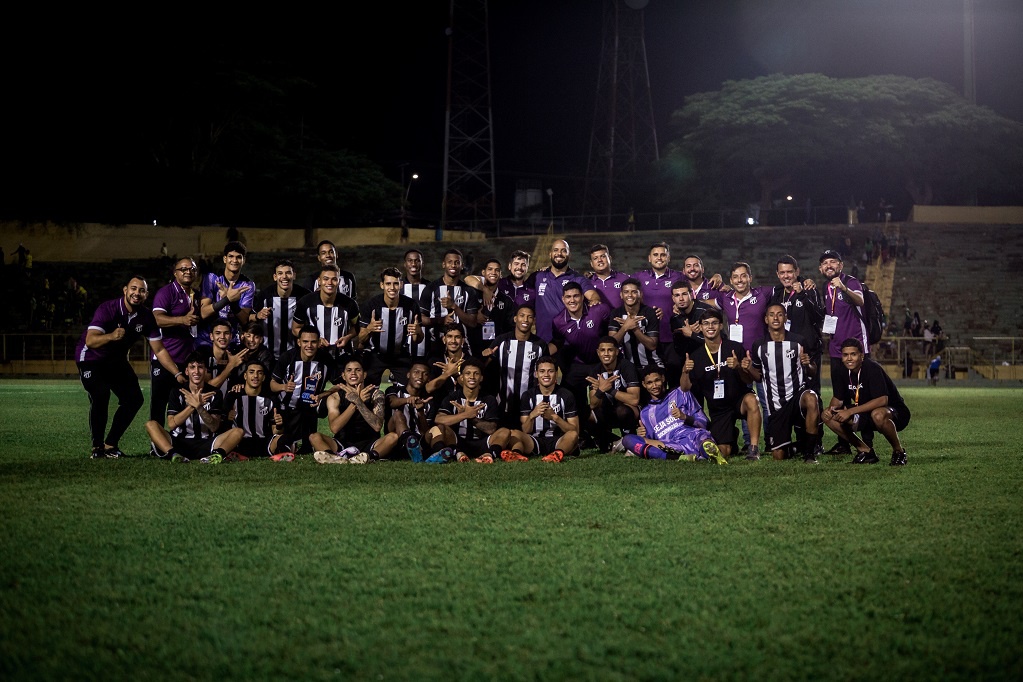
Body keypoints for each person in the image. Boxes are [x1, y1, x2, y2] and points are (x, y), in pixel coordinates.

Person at [75, 276, 186, 458]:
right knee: (101, 394)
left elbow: (159, 349)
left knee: (134, 399)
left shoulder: (146, 316)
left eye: (141, 290)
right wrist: (111, 336)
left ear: (146, 294)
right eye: (133, 289)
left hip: (116, 361)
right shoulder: (108, 309)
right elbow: (91, 340)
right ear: (125, 290)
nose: (137, 293)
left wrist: (177, 373)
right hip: (91, 359)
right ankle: (97, 448)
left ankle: (110, 445)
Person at [680, 308, 762, 460]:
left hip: (739, 400)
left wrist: (738, 367)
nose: (710, 327)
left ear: (721, 326)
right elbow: (685, 388)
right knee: (723, 452)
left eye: (714, 323)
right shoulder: (696, 356)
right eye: (706, 324)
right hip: (718, 409)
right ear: (701, 327)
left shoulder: (734, 348)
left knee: (752, 400)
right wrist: (685, 371)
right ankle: (732, 438)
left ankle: (754, 448)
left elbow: (748, 381)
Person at [746, 304, 823, 463]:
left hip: (797, 398)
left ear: (785, 318)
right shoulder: (759, 345)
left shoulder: (798, 341)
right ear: (766, 319)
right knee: (778, 456)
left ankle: (809, 454)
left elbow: (812, 372)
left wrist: (808, 364)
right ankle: (797, 447)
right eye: (772, 315)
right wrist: (748, 368)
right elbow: (758, 377)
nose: (776, 318)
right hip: (776, 406)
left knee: (811, 398)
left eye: (780, 314)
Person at [822, 338, 910, 466]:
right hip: (865, 411)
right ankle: (866, 451)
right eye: (845, 355)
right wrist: (830, 410)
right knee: (828, 417)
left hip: (894, 412)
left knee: (878, 414)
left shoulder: (871, 368)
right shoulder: (840, 371)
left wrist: (850, 411)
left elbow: (882, 400)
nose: (849, 358)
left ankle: (899, 452)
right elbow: (838, 398)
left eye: (853, 354)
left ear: (861, 356)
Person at [818, 249, 869, 455]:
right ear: (821, 269)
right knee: (840, 395)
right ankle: (844, 442)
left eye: (833, 262)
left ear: (840, 265)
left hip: (856, 350)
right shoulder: (825, 287)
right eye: (825, 263)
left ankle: (867, 440)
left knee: (861, 395)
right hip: (836, 349)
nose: (829, 265)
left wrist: (844, 288)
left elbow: (860, 301)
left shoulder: (852, 281)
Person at [621, 365, 726, 464]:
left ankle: (709, 452)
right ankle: (678, 457)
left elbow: (704, 423)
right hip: (671, 446)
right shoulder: (645, 413)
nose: (654, 386)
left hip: (693, 436)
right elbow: (650, 441)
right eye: (649, 383)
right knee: (627, 440)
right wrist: (642, 435)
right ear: (644, 384)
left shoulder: (681, 393)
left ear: (663, 378)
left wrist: (685, 417)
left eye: (657, 380)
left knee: (704, 441)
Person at [550, 281, 611, 435]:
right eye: (568, 297)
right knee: (570, 398)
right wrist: (540, 352)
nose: (572, 300)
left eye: (576, 296)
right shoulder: (558, 321)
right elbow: (557, 343)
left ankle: (606, 436)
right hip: (577, 365)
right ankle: (581, 435)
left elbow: (612, 329)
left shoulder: (599, 310)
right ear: (563, 299)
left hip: (599, 363)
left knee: (600, 401)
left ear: (583, 297)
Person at [429, 357, 515, 463]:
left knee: (505, 432)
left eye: (476, 374)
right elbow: (439, 419)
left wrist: (473, 418)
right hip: (457, 441)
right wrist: (464, 415)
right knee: (440, 429)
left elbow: (491, 429)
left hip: (482, 443)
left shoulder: (489, 399)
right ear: (461, 377)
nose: (472, 377)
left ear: (481, 378)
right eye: (468, 373)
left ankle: (488, 455)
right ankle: (456, 453)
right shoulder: (452, 398)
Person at [144, 352, 224, 462]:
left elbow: (214, 427)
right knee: (151, 424)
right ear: (187, 371)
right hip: (179, 442)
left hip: (206, 442)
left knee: (238, 432)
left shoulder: (214, 393)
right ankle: (174, 455)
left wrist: (199, 407)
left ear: (205, 371)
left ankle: (215, 456)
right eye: (192, 367)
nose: (196, 371)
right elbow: (172, 424)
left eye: (200, 367)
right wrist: (192, 406)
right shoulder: (177, 391)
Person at [315, 355, 397, 464]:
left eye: (358, 370)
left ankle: (368, 457)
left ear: (364, 375)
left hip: (370, 443)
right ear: (343, 376)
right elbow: (334, 428)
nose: (353, 373)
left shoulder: (376, 394)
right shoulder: (335, 397)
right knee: (314, 436)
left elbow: (377, 426)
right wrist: (354, 403)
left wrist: (359, 402)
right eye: (349, 370)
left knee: (393, 437)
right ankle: (334, 457)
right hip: (342, 442)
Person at [270, 325, 337, 456]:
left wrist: (322, 395)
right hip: (287, 407)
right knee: (285, 443)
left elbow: (339, 385)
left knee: (332, 399)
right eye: (305, 341)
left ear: (319, 343)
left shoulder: (326, 359)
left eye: (313, 342)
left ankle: (337, 441)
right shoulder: (287, 357)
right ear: (299, 342)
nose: (309, 345)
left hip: (312, 407)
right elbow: (272, 384)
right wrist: (283, 387)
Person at [149, 258, 201, 425]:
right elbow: (156, 319)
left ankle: (181, 442)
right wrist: (182, 320)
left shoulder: (196, 295)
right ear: (175, 273)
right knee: (159, 404)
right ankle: (156, 447)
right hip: (165, 359)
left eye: (191, 268)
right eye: (183, 269)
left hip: (186, 360)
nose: (188, 271)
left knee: (183, 404)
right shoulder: (166, 292)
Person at [482, 303, 546, 427]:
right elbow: (484, 368)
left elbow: (545, 371)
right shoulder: (501, 341)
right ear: (515, 318)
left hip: (529, 404)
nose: (525, 320)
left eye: (529, 317)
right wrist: (487, 356)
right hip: (502, 402)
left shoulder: (540, 345)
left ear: (534, 321)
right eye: (522, 316)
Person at [525, 239, 601, 344]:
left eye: (563, 250)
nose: (559, 253)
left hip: (569, 342)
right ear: (550, 254)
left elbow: (592, 295)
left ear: (569, 255)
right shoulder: (538, 276)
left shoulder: (577, 278)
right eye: (556, 250)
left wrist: (594, 300)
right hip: (543, 340)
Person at [357, 267, 423, 386]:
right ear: (382, 285)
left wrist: (418, 332)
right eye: (388, 284)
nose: (392, 288)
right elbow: (361, 339)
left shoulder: (411, 305)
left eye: (395, 284)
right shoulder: (371, 305)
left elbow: (417, 340)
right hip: (375, 355)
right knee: (367, 390)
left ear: (401, 284)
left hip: (401, 355)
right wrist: (369, 329)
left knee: (409, 389)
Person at [212, 360, 289, 460]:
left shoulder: (271, 399)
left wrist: (279, 425)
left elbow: (276, 431)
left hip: (263, 442)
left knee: (285, 438)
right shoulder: (233, 396)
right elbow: (221, 427)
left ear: (264, 377)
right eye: (251, 372)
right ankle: (232, 454)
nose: (255, 376)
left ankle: (279, 454)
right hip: (240, 442)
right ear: (245, 376)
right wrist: (228, 419)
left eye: (259, 373)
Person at [769, 255, 824, 394]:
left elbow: (819, 317)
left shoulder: (808, 288)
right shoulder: (776, 293)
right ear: (777, 274)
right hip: (785, 352)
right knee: (788, 394)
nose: (786, 276)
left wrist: (802, 295)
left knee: (811, 393)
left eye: (789, 272)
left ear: (797, 272)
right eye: (782, 272)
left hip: (808, 352)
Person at [511, 355, 580, 462]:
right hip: (534, 441)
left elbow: (574, 430)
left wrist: (554, 417)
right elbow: (525, 430)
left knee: (573, 435)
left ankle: (557, 454)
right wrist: (532, 416)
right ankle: (516, 455)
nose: (546, 375)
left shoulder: (566, 395)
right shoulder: (528, 396)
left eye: (550, 371)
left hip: (559, 441)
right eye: (542, 371)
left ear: (556, 374)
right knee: (514, 433)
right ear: (536, 374)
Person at [586, 336, 641, 452]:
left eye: (610, 350)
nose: (606, 354)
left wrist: (610, 390)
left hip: (629, 411)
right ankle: (611, 440)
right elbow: (593, 404)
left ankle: (630, 440)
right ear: (598, 352)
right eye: (602, 350)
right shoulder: (595, 371)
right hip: (607, 411)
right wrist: (600, 391)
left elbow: (634, 400)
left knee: (622, 410)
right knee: (585, 415)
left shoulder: (627, 367)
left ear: (617, 351)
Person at [292, 263, 361, 357]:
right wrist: (315, 339)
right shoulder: (305, 302)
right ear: (319, 281)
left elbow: (357, 327)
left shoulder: (350, 304)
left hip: (342, 356)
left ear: (339, 281)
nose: (330, 283)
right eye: (326, 279)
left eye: (334, 279)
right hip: (316, 356)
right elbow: (295, 329)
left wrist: (348, 337)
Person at [421, 249, 480, 354]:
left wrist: (454, 307)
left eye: (457, 262)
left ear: (462, 266)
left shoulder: (468, 291)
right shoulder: (431, 288)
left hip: (463, 348)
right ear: (443, 264)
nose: (453, 265)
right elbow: (422, 319)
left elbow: (472, 322)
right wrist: (441, 320)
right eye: (450, 262)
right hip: (435, 346)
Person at [198, 241, 254, 347]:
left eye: (238, 257)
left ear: (243, 261)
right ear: (225, 259)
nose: (234, 260)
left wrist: (232, 302)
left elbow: (244, 321)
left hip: (231, 341)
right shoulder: (211, 278)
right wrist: (227, 299)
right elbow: (203, 313)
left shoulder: (248, 285)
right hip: (206, 340)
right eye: (231, 256)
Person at [254, 258, 311, 361]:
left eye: (288, 273)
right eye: (280, 273)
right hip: (268, 355)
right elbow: (248, 318)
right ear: (275, 277)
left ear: (294, 275)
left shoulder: (305, 296)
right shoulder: (264, 296)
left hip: (297, 355)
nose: (284, 277)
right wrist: (257, 316)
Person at [384, 361, 436, 461]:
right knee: (398, 414)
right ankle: (408, 443)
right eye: (416, 372)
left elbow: (425, 432)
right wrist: (407, 400)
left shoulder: (429, 401)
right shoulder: (394, 390)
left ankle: (423, 450)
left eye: (425, 374)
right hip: (395, 438)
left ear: (428, 379)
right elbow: (392, 402)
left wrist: (420, 412)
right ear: (408, 375)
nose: (420, 376)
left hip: (418, 441)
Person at [608, 277, 663, 371]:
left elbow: (652, 345)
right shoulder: (616, 313)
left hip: (651, 365)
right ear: (621, 295)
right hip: (626, 368)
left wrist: (635, 329)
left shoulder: (650, 313)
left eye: (634, 292)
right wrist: (625, 327)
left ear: (640, 294)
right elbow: (611, 345)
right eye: (626, 292)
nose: (630, 295)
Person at [631, 242, 681, 342]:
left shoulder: (679, 277)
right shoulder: (638, 277)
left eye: (663, 255)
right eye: (655, 255)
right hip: (645, 336)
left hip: (671, 335)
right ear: (649, 258)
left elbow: (697, 283)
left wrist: (717, 277)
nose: (659, 258)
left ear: (668, 258)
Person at [669, 279, 713, 361]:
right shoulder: (675, 318)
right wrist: (684, 334)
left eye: (684, 294)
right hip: (689, 360)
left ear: (691, 294)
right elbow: (679, 348)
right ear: (673, 298)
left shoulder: (706, 312)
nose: (681, 299)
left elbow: (716, 341)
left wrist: (691, 334)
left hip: (710, 358)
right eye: (677, 295)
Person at [401, 249, 431, 359]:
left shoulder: (431, 287)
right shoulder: (397, 288)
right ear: (405, 264)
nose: (413, 264)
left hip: (427, 342)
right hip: (402, 344)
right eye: (410, 260)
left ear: (422, 263)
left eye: (417, 260)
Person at [425, 323, 469, 398]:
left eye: (457, 337)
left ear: (463, 341)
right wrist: (448, 373)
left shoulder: (470, 362)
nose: (453, 341)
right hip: (441, 405)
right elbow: (428, 388)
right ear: (444, 339)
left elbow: (473, 389)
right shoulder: (435, 362)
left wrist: (456, 375)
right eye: (449, 336)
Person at [587, 243, 629, 309]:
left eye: (603, 256)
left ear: (610, 258)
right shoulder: (587, 282)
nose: (599, 260)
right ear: (591, 263)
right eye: (595, 258)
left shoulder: (624, 279)